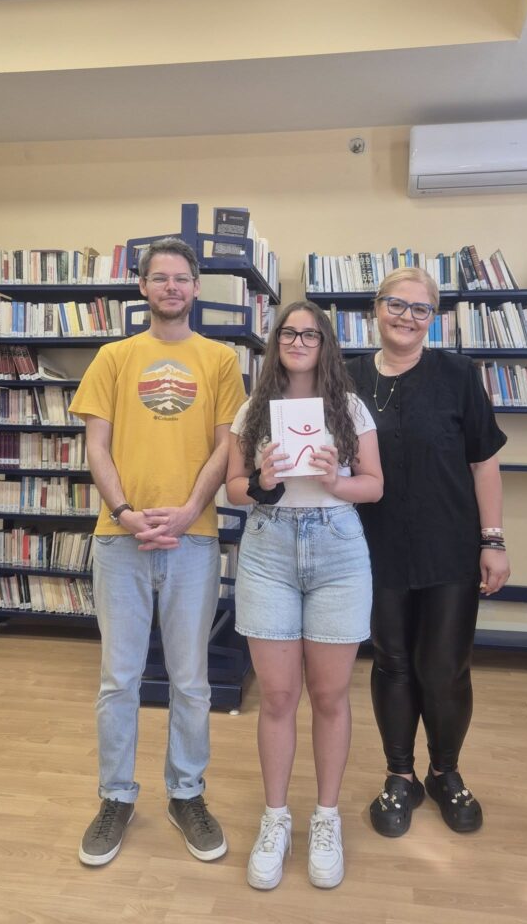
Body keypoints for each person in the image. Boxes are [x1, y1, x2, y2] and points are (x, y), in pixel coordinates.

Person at [70, 237, 246, 867]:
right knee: (118, 680)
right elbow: (97, 445)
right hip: (120, 538)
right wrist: (124, 511)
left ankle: (186, 793)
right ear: (142, 287)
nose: (172, 287)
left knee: (191, 680)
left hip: (193, 540)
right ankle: (115, 797)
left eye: (182, 278)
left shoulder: (221, 360)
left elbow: (227, 447)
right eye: (160, 277)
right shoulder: (114, 357)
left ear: (196, 287)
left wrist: (190, 509)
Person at [345, 267, 510, 839]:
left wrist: (493, 540)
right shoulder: (346, 377)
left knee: (443, 667)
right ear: (376, 307)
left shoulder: (459, 375)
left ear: (432, 319)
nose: (407, 317)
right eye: (397, 304)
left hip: (450, 548)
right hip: (373, 548)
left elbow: (484, 463)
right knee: (391, 663)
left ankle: (445, 772)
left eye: (421, 309)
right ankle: (400, 775)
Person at [226, 300, 383, 890]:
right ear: (276, 343)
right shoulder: (254, 409)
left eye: (309, 334)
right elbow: (234, 488)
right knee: (277, 695)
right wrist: (262, 482)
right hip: (269, 550)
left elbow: (375, 485)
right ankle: (275, 819)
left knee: (330, 695)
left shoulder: (350, 407)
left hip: (338, 548)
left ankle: (325, 818)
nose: (297, 342)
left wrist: (335, 480)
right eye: (288, 333)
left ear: (325, 344)